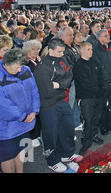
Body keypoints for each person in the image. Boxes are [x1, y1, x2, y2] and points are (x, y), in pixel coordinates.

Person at [0, 48, 40, 173]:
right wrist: (23, 116)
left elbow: (34, 91)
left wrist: (34, 110)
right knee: (7, 156)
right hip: (6, 127)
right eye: (15, 68)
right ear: (5, 63)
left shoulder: (25, 70)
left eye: (21, 67)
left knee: (20, 150)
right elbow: (1, 105)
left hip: (24, 122)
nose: (19, 70)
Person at [33, 38, 82, 173]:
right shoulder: (42, 67)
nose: (62, 54)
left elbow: (69, 76)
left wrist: (58, 84)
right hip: (48, 106)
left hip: (61, 101)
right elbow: (47, 91)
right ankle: (52, 160)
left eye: (63, 51)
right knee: (51, 134)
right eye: (59, 52)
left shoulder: (62, 59)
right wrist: (62, 84)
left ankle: (67, 153)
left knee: (68, 128)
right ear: (50, 51)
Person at [73, 42, 105, 155]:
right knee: (88, 120)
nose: (90, 51)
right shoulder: (78, 65)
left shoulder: (95, 61)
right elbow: (85, 83)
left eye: (91, 49)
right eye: (88, 49)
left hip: (98, 96)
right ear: (81, 51)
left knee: (96, 118)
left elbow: (101, 77)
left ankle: (94, 135)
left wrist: (101, 91)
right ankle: (86, 141)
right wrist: (97, 91)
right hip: (86, 97)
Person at [92, 29, 111, 134]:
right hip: (105, 83)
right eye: (105, 36)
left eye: (108, 35)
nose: (108, 37)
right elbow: (100, 68)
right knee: (104, 106)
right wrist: (110, 80)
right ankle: (104, 126)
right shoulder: (96, 50)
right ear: (99, 38)